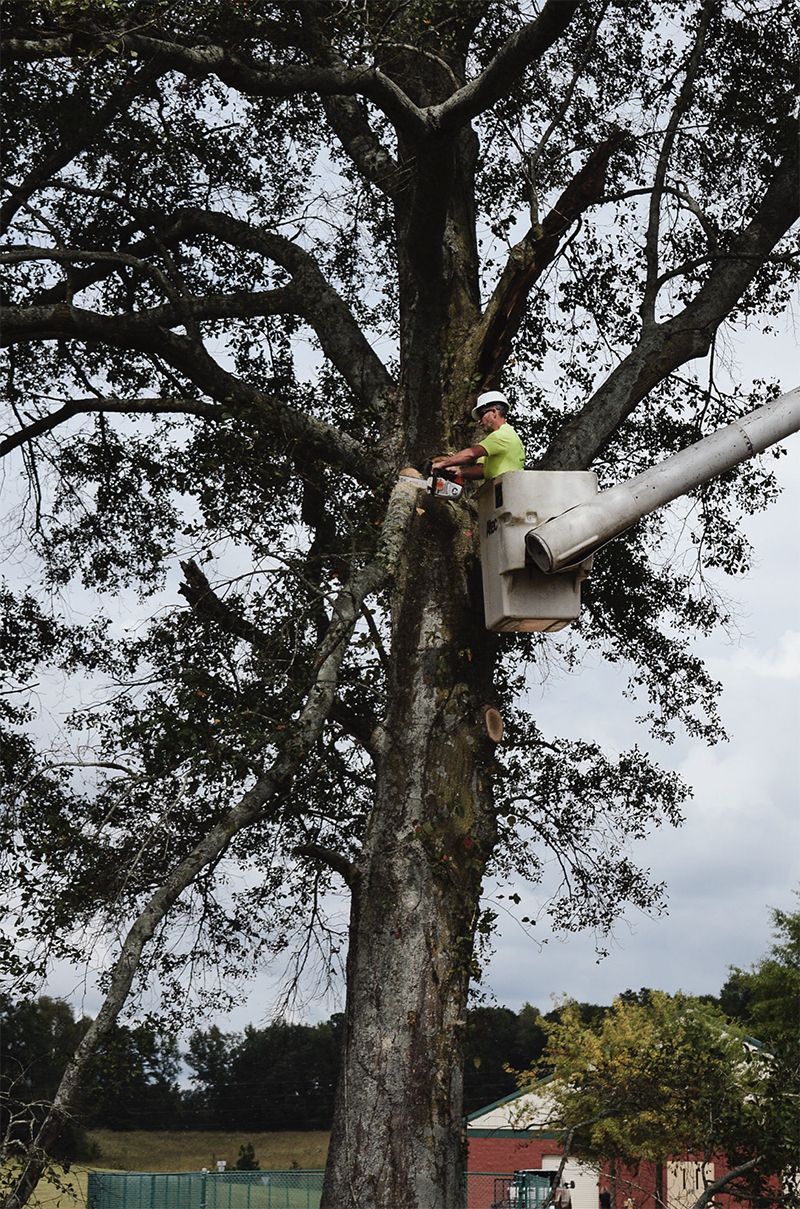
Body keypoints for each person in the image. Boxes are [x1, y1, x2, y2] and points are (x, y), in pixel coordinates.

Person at [431, 390, 524, 481]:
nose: (479, 422)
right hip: (501, 490)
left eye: (481, 415)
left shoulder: (502, 435)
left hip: (509, 491)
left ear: (494, 412)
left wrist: (442, 464)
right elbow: (481, 470)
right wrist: (458, 471)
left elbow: (471, 454)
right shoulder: (494, 442)